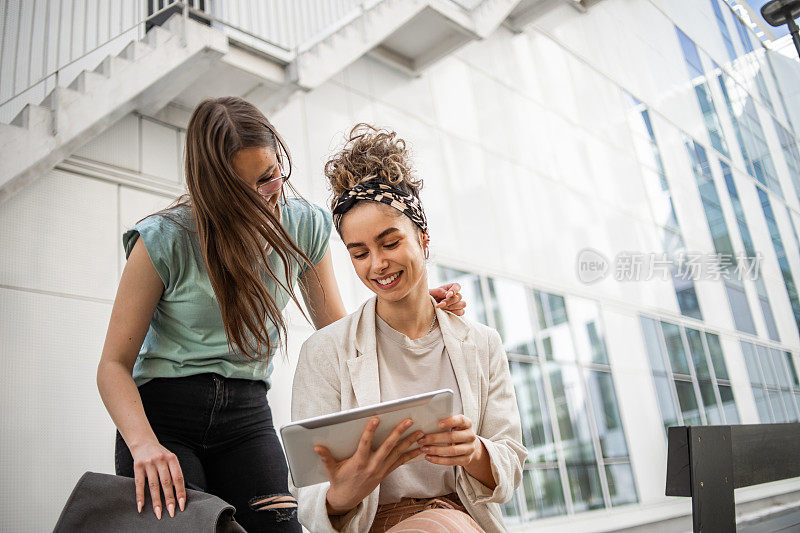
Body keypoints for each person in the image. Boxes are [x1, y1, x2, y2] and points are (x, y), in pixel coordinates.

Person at [96, 97, 466, 532]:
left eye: (269, 177)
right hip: (162, 418)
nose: (263, 198)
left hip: (246, 417)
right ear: (213, 189)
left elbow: (341, 333)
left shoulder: (304, 225)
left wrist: (410, 302)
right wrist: (143, 446)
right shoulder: (164, 240)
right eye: (241, 190)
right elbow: (113, 367)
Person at [290, 124, 526, 533]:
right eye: (359, 253)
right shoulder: (325, 351)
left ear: (423, 238)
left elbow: (510, 462)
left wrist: (472, 452)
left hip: (461, 519)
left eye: (390, 242)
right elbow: (307, 497)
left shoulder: (482, 343)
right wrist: (344, 491)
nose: (377, 264)